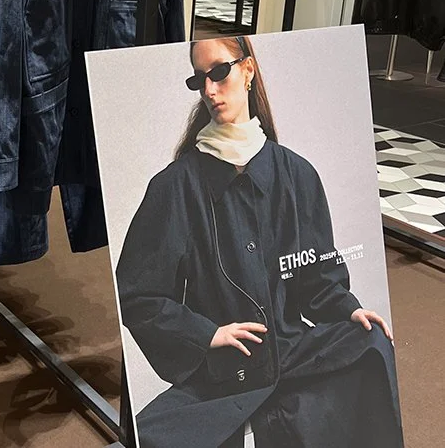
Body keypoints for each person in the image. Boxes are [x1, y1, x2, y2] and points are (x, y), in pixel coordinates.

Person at [116, 36, 404, 448]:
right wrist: (206, 334)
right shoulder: (174, 187)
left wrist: (349, 309)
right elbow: (139, 294)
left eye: (219, 72)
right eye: (199, 80)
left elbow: (318, 278)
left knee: (371, 343)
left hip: (291, 353)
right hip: (223, 372)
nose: (209, 90)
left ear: (248, 70)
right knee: (150, 436)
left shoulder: (297, 176)